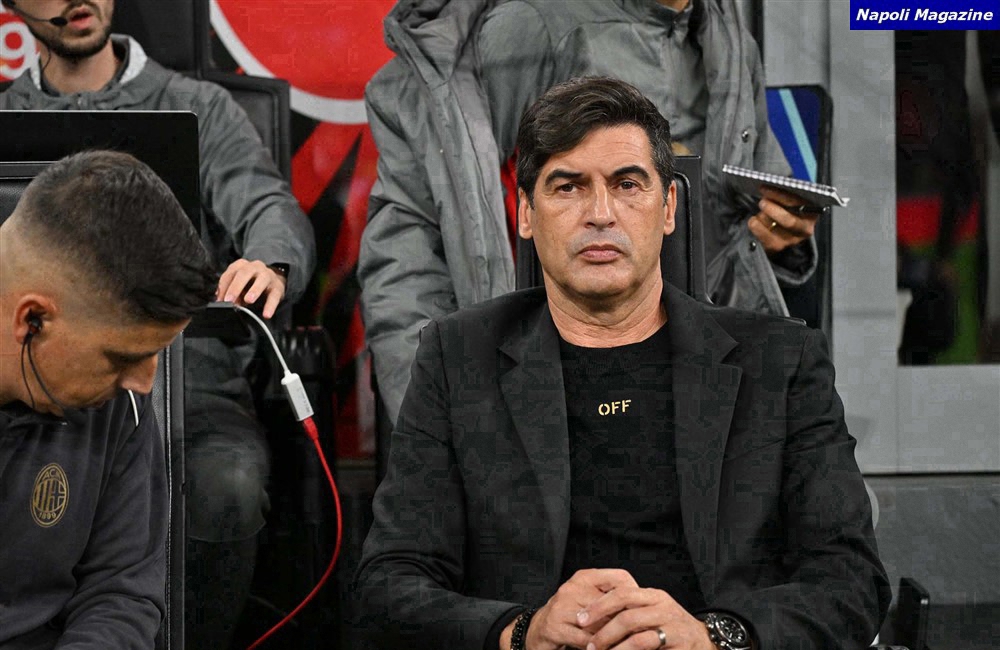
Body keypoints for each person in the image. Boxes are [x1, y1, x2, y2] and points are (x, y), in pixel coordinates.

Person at [355, 77, 889, 650]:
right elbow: (390, 583)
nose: (600, 213)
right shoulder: (458, 359)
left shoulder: (780, 361)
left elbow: (851, 579)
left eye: (627, 184)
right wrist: (521, 631)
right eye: (568, 187)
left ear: (669, 207)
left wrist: (713, 636)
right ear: (526, 213)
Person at [0, 1, 317, 645]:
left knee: (226, 484)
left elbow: (264, 201)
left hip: (195, 380)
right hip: (50, 378)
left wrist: (271, 262)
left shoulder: (200, 106)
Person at [360, 0, 819, 426]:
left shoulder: (727, 34)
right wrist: (436, 421)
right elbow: (418, 231)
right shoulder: (534, 26)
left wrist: (777, 232)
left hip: (702, 379)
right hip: (556, 389)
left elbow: (743, 206)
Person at [0, 150, 217, 649]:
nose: (144, 383)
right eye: (122, 357)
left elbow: (120, 594)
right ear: (32, 320)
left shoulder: (119, 407)